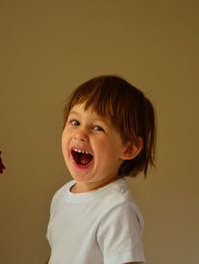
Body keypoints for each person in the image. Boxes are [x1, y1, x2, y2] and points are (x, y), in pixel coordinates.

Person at [46, 75, 156, 264]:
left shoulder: (116, 209)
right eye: (75, 122)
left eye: (97, 128)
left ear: (128, 148)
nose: (80, 134)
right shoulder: (62, 196)